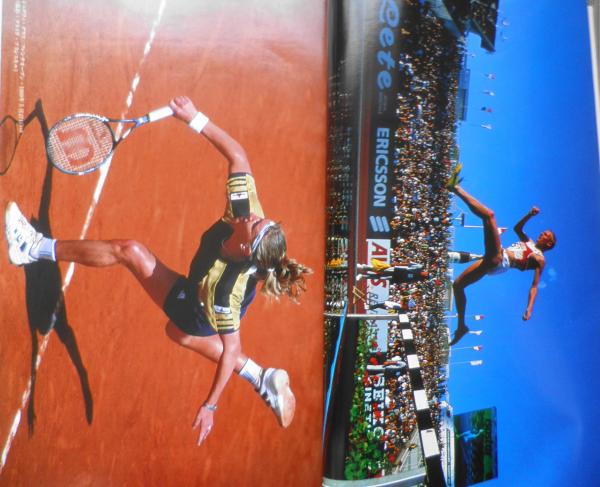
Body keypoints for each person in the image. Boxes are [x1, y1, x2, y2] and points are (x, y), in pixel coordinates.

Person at [4, 95, 312, 445]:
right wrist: (195, 118)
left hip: (199, 308)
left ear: (246, 248)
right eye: (261, 219)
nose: (255, 216)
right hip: (209, 299)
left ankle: (32, 247)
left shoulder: (224, 292)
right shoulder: (244, 211)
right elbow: (238, 155)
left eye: (256, 225)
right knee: (178, 334)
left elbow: (230, 349)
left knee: (132, 254)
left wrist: (210, 405)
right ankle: (261, 377)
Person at [446, 165, 555, 346]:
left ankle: (454, 188)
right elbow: (517, 228)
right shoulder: (528, 241)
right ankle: (461, 327)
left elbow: (534, 286)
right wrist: (529, 215)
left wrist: (529, 308)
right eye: (543, 232)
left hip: (500, 260)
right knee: (457, 285)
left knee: (489, 215)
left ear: (549, 244)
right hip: (495, 258)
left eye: (546, 235)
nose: (542, 234)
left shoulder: (540, 258)